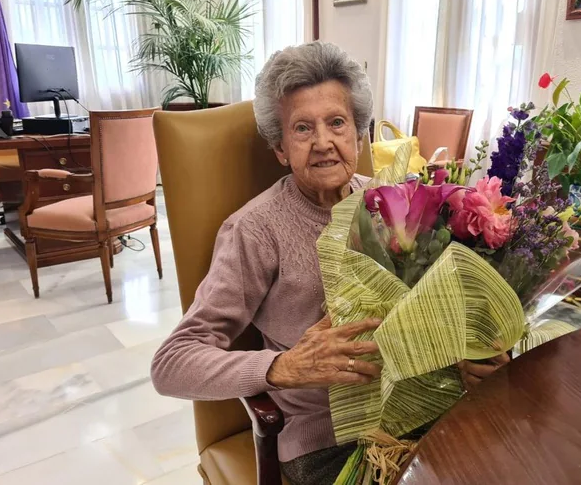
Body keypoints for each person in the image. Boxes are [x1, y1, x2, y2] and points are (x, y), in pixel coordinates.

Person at [150, 41, 509, 485]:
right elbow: (171, 364)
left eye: (336, 122)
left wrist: (467, 355)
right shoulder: (255, 230)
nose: (323, 142)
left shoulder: (393, 203)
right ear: (280, 148)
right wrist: (281, 368)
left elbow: (434, 309)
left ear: (357, 133)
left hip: (424, 410)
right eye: (302, 128)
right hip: (329, 442)